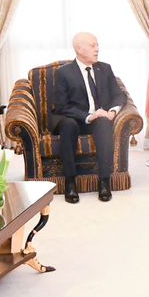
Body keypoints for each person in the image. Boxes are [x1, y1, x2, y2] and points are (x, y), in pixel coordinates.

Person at [48, 32, 126, 203]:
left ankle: (104, 181)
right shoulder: (64, 73)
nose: (97, 49)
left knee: (104, 123)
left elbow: (119, 95)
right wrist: (88, 116)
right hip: (74, 117)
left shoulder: (105, 69)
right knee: (68, 125)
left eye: (97, 45)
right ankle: (70, 182)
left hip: (99, 118)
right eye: (92, 45)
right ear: (79, 48)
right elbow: (61, 106)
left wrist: (111, 112)